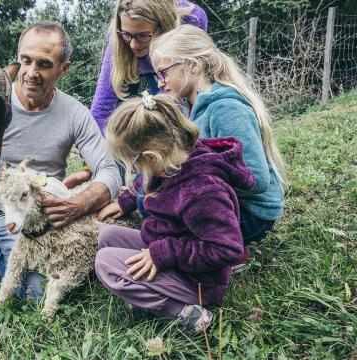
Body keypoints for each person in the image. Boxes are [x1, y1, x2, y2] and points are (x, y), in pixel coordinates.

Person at [0, 22, 121, 300]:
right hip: (9, 212)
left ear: (63, 69)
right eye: (25, 61)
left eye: (44, 64)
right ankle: (1, 256)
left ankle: (6, 256)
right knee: (37, 292)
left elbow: (109, 170)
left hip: (53, 210)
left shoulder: (74, 113)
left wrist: (79, 203)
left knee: (89, 272)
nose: (31, 73)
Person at [95, 92, 254, 332]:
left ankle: (184, 313)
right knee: (107, 238)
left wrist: (164, 253)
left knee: (105, 264)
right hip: (172, 250)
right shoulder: (176, 157)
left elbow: (227, 249)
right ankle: (149, 285)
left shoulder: (203, 191)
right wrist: (126, 201)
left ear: (151, 157)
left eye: (135, 164)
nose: (136, 170)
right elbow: (147, 181)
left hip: (198, 281)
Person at [148, 25, 286, 247]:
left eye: (164, 73)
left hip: (251, 215)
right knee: (150, 204)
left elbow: (257, 180)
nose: (160, 82)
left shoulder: (226, 110)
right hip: (223, 202)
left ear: (193, 65)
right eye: (157, 76)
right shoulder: (187, 108)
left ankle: (219, 257)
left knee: (161, 213)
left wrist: (188, 180)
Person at [65, 0, 207, 188]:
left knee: (170, 122)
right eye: (127, 34)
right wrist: (90, 165)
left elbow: (186, 102)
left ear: (163, 25)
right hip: (137, 70)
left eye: (142, 35)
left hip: (172, 69)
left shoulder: (192, 18)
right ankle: (127, 181)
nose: (133, 44)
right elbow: (102, 106)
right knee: (121, 127)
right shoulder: (121, 41)